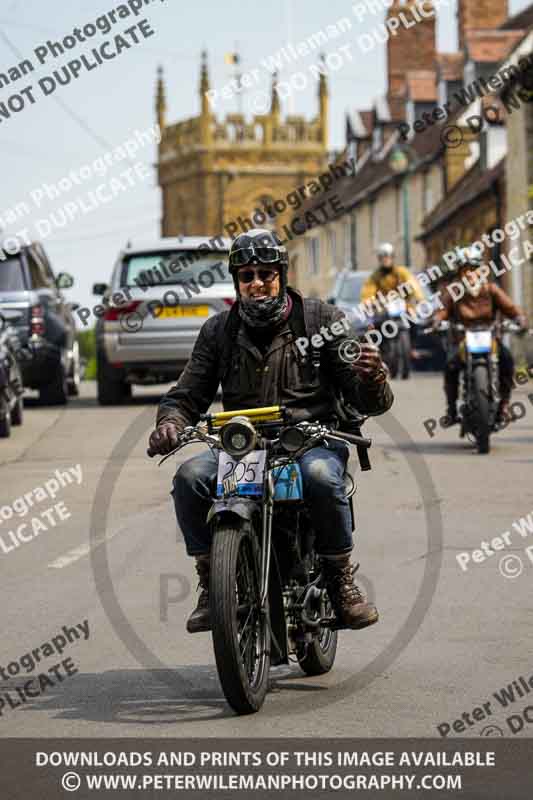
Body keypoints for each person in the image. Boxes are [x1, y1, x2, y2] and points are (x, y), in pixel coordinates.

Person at [148, 228, 393, 634]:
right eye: (247, 276)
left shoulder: (324, 321)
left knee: (319, 476)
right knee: (189, 477)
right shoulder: (218, 331)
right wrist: (170, 423)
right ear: (237, 283)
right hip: (243, 448)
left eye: (265, 273)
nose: (257, 283)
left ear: (281, 273)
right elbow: (187, 394)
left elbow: (369, 400)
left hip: (310, 441)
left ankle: (339, 580)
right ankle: (211, 581)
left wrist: (372, 379)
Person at [432, 245, 527, 425]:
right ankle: (452, 409)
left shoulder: (491, 289)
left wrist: (520, 318)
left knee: (507, 360)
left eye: (473, 269)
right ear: (459, 273)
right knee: (450, 366)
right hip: (462, 340)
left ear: (480, 270)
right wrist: (437, 320)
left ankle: (504, 406)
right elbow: (442, 310)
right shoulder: (453, 292)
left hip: (490, 338)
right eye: (465, 270)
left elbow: (510, 308)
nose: (469, 274)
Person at [360, 243, 425, 310]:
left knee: (415, 316)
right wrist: (368, 303)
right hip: (384, 312)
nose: (386, 259)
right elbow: (367, 294)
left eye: (388, 256)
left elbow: (414, 285)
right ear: (379, 259)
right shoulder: (375, 277)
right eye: (383, 257)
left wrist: (420, 299)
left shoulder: (402, 272)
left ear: (393, 257)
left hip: (405, 309)